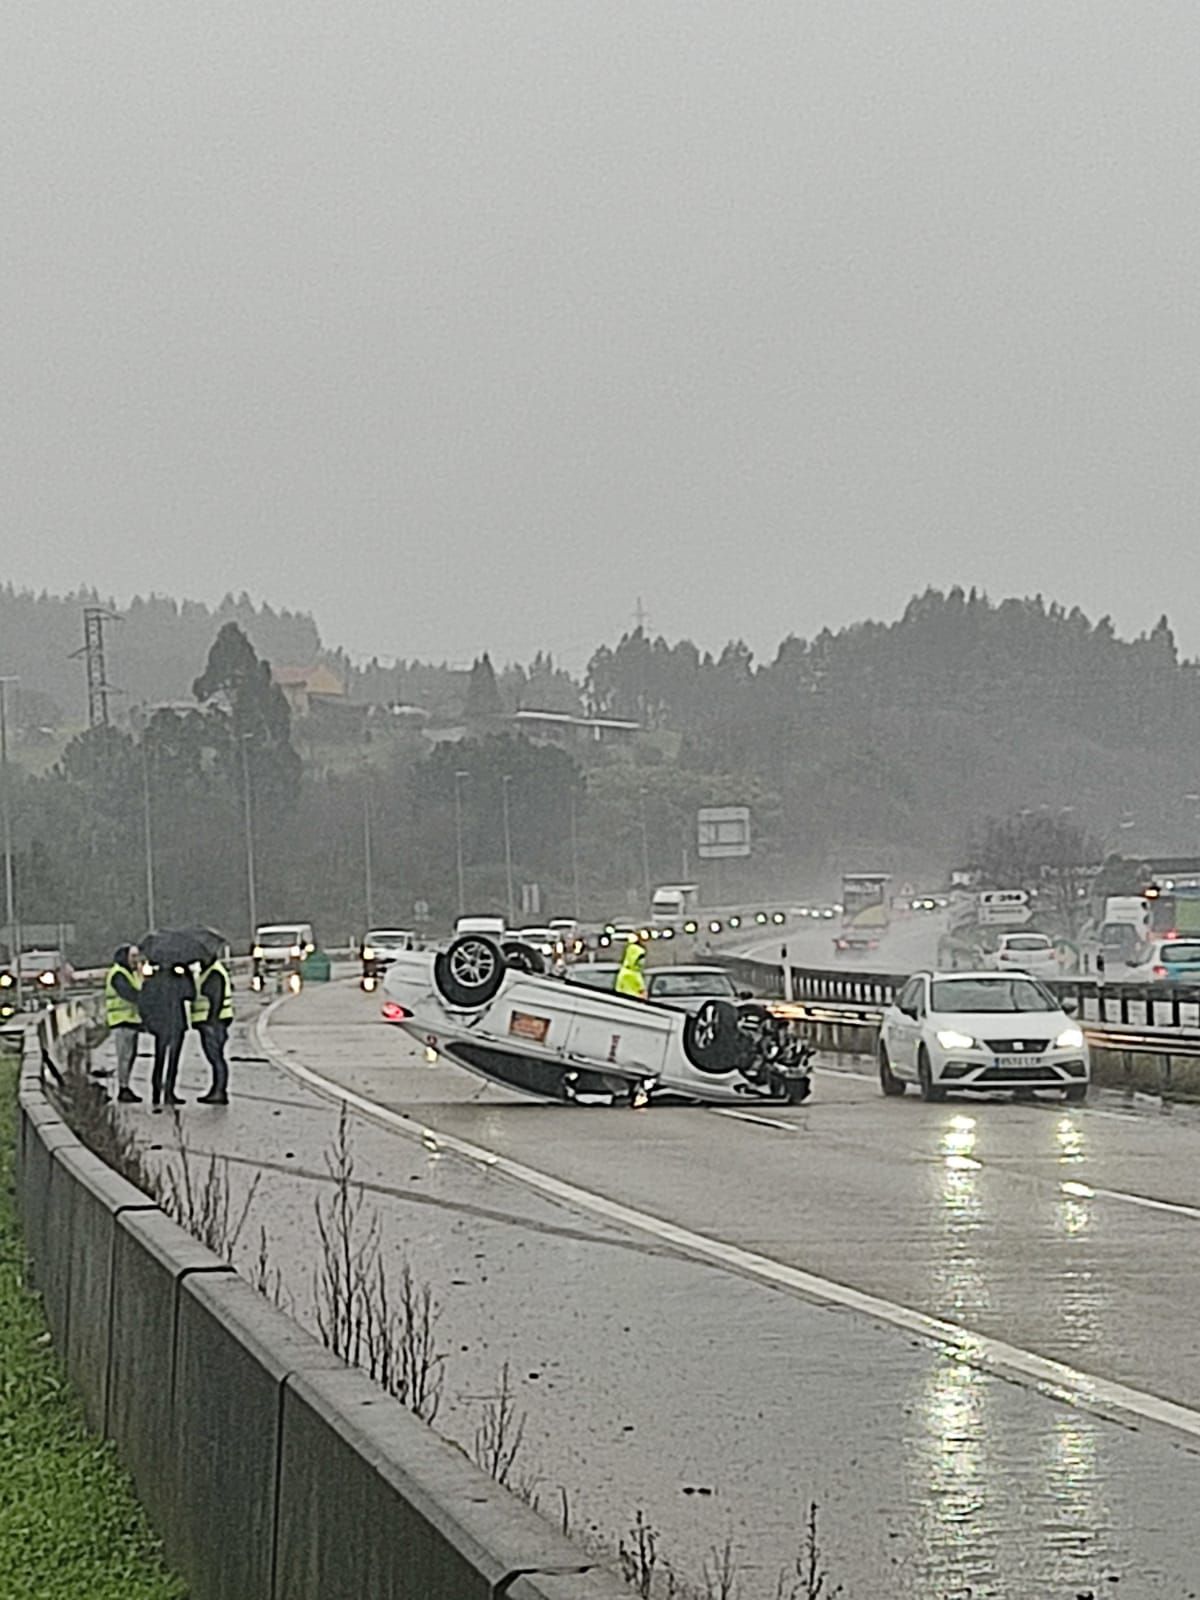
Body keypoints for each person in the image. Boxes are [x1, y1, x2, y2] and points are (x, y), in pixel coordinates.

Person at [138, 962, 194, 1111]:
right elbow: (191, 994)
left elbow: (143, 1004)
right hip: (172, 1024)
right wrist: (187, 973)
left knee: (161, 1060)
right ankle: (167, 1093)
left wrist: (150, 1023)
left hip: (165, 1025)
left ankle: (160, 1094)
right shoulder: (176, 979)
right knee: (170, 1061)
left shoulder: (152, 980)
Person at [191, 954, 234, 1105]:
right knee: (215, 1058)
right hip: (212, 1021)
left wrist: (211, 1020)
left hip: (213, 1022)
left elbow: (216, 998)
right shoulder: (208, 972)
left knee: (216, 1058)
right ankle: (216, 1089)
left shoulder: (214, 974)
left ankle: (219, 1091)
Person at [104, 945, 143, 1103]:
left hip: (132, 1020)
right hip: (121, 1020)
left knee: (131, 1055)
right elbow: (128, 994)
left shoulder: (130, 973)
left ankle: (126, 1086)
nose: (136, 960)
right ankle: (123, 1088)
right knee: (124, 1057)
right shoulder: (118, 974)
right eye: (133, 956)